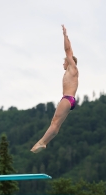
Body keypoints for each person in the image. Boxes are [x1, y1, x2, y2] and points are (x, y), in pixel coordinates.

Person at [30, 25, 79, 153]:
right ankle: (44, 142)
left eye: (64, 61)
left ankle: (42, 142)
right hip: (71, 101)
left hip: (67, 98)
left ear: (69, 62)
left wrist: (65, 36)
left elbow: (68, 51)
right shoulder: (70, 72)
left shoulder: (72, 68)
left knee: (55, 121)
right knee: (56, 124)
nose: (63, 63)